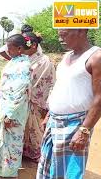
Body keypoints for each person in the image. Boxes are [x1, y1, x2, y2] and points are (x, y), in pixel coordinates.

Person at [37, 29, 101, 179]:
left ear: (81, 31)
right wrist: (48, 115)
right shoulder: (67, 56)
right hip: (54, 121)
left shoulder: (96, 57)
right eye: (59, 35)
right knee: (48, 169)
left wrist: (84, 131)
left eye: (64, 34)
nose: (60, 39)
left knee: (67, 173)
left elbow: (99, 97)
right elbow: (60, 87)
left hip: (75, 124)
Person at [0, 34, 31, 178]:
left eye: (9, 48)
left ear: (19, 48)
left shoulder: (24, 65)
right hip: (5, 107)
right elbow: (5, 85)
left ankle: (9, 172)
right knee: (0, 139)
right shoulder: (13, 62)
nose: (7, 50)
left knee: (12, 142)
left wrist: (10, 115)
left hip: (14, 111)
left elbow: (20, 91)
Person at [22, 32, 56, 162]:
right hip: (25, 98)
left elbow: (40, 82)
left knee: (36, 127)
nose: (22, 50)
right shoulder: (26, 58)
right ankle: (26, 150)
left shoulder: (44, 61)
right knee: (25, 126)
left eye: (25, 46)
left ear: (34, 45)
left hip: (37, 100)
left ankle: (38, 153)